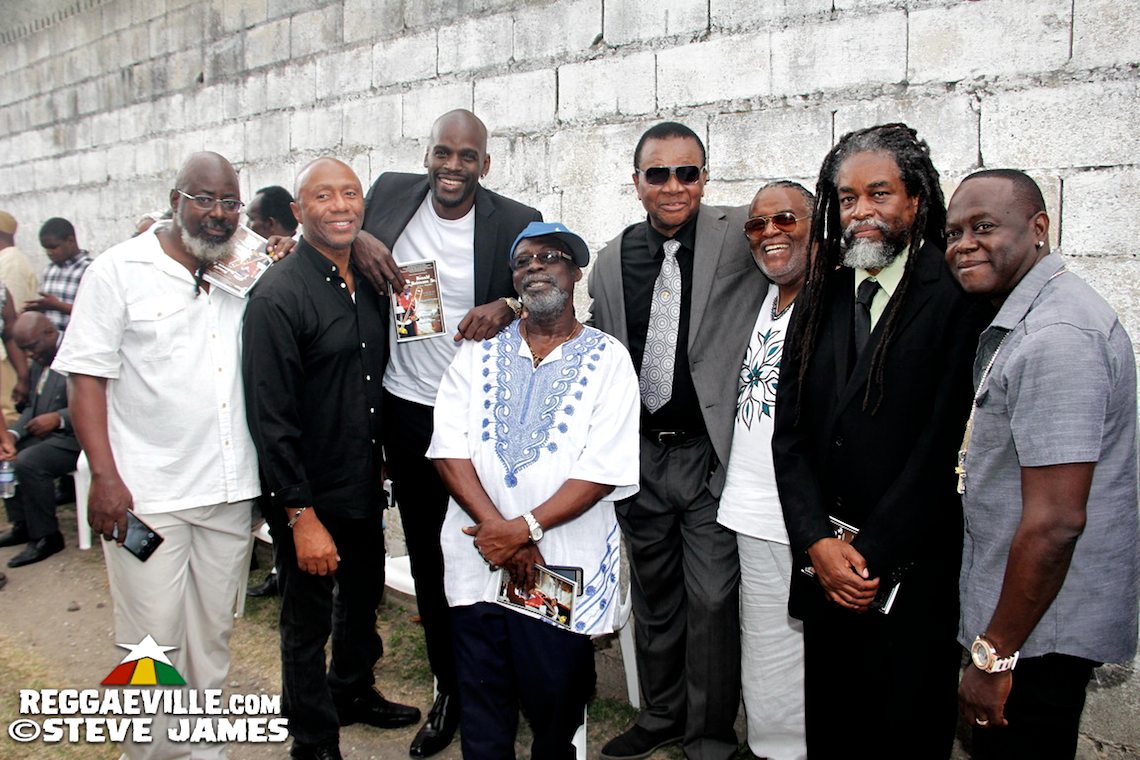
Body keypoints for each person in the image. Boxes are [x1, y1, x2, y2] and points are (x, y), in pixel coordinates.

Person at [772, 123, 990, 758]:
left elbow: (942, 447)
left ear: (916, 200)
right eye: (845, 198)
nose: (860, 212)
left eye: (878, 194)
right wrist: (817, 542)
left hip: (908, 574)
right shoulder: (822, 291)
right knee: (834, 731)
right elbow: (790, 438)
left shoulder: (953, 296)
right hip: (825, 572)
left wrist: (868, 555)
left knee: (903, 732)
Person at [53, 151, 261, 760]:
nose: (218, 213)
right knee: (150, 642)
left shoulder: (244, 268)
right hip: (148, 494)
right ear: (175, 201)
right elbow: (85, 377)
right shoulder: (119, 270)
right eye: (204, 199)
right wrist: (105, 478)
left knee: (212, 635)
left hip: (227, 489)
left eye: (229, 202)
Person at [358, 108, 542, 757]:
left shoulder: (516, 219)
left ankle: (509, 683)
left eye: (468, 157)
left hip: (482, 421)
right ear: (427, 155)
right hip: (407, 410)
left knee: (497, 544)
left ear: (484, 165)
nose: (453, 167)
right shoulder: (387, 193)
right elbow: (340, 229)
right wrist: (358, 239)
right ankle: (450, 691)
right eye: (443, 153)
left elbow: (555, 292)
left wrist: (512, 305)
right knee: (430, 559)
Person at [945, 169, 1139, 759]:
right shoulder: (1028, 314)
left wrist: (994, 655)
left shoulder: (1057, 335)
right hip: (1027, 620)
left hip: (1036, 633)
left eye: (984, 227)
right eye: (953, 232)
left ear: (1038, 229)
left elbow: (1056, 523)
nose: (964, 245)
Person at [428, 221, 640, 759]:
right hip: (478, 557)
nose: (535, 267)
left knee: (556, 698)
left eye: (550, 257)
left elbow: (602, 468)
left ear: (575, 271)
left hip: (561, 565)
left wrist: (524, 530)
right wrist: (505, 535)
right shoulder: (477, 353)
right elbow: (448, 449)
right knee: (483, 700)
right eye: (523, 261)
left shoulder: (609, 358)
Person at [589, 121, 767, 760]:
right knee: (656, 595)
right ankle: (660, 717)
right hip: (640, 456)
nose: (672, 186)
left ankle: (711, 737)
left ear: (704, 178)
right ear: (636, 182)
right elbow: (591, 336)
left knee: (714, 599)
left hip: (708, 454)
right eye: (656, 174)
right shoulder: (612, 258)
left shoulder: (743, 234)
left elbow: (798, 245)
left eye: (686, 172)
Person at [243, 157, 420, 760]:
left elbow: (365, 381)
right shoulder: (276, 297)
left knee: (363, 594)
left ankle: (351, 690)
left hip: (361, 480)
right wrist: (298, 514)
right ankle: (313, 738)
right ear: (298, 212)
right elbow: (271, 420)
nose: (340, 206)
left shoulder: (367, 282)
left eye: (350, 194)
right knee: (307, 617)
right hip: (307, 492)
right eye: (324, 196)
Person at [716, 181, 814, 760]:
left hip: (807, 517)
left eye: (785, 219)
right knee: (766, 647)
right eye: (757, 224)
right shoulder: (762, 297)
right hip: (751, 507)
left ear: (816, 228)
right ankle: (772, 749)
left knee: (810, 654)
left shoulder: (830, 304)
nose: (770, 232)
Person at [0, 313, 79, 568]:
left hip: (77, 437)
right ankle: (22, 523)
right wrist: (11, 436)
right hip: (48, 437)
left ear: (49, 332)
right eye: (23, 349)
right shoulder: (41, 360)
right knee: (5, 457)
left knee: (28, 462)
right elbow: (31, 408)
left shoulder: (76, 352)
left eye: (31, 347)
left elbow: (103, 400)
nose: (29, 355)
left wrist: (59, 418)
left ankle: (46, 536)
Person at [0, 211, 38, 420]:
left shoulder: (10, 261)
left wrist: (23, 375)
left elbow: (12, 325)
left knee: (8, 416)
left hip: (7, 360)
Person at [29, 217, 94, 332]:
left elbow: (94, 312)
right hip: (52, 344)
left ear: (70, 240)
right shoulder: (49, 270)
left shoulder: (90, 269)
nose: (49, 252)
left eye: (54, 247)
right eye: (46, 249)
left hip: (78, 341)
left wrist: (57, 305)